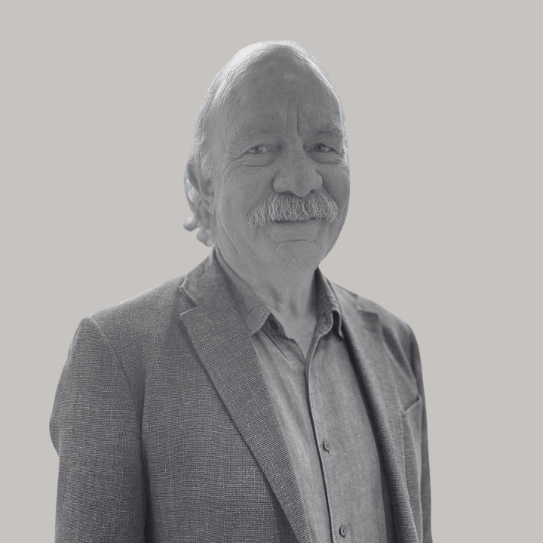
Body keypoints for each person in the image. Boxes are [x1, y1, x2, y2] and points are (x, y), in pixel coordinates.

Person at [50, 41, 432, 543]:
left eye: (324, 147)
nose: (302, 179)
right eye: (260, 148)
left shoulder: (395, 343)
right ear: (202, 185)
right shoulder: (118, 355)